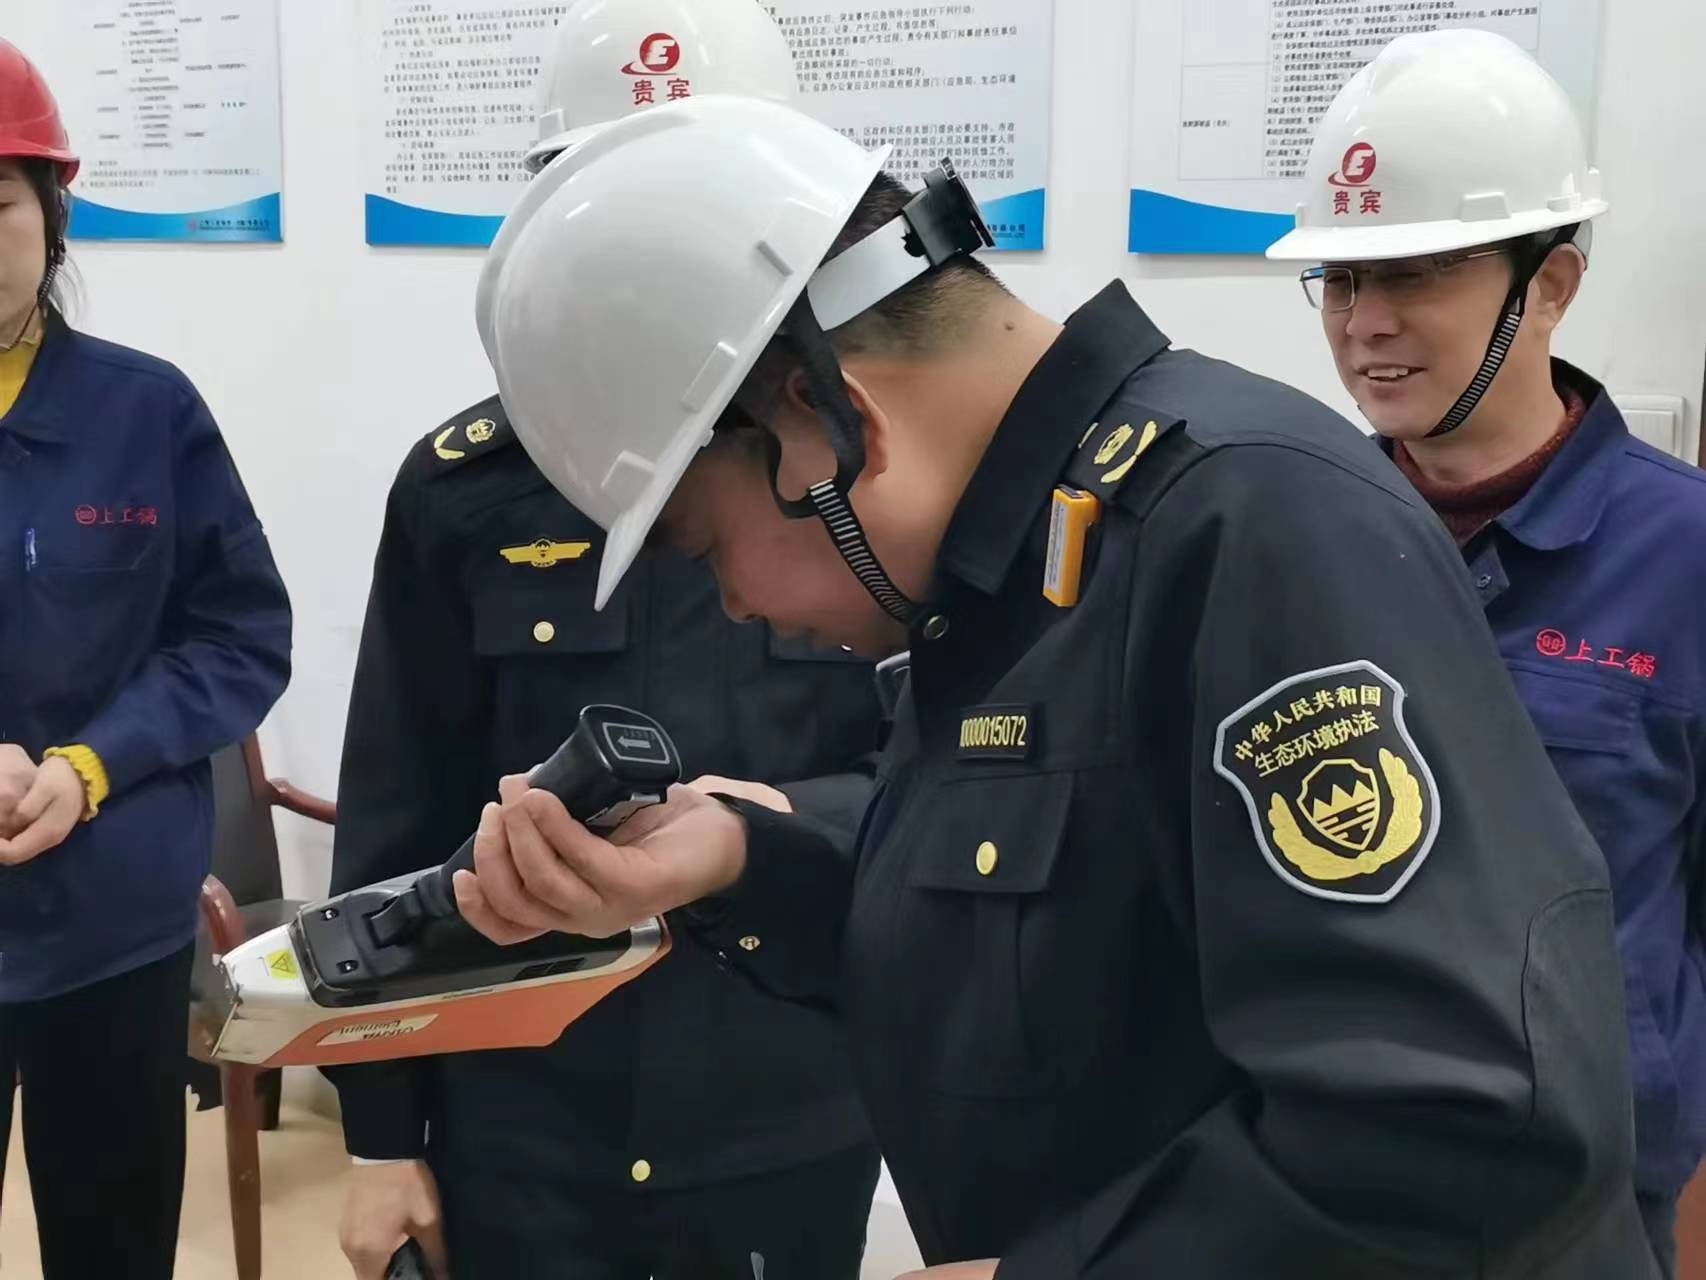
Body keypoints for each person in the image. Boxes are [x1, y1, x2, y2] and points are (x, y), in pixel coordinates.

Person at [458, 94, 1662, 1277]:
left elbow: (1465, 1132)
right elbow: (1044, 911)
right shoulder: (1024, 568)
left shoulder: (1248, 528)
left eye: (703, 543)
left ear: (834, 427)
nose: (729, 602)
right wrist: (737, 849)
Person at [329, 5, 881, 1278]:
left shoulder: (871, 478)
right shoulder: (463, 488)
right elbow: (397, 817)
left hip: (783, 1100)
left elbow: (937, 777)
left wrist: (760, 824)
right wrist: (378, 1136)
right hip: (524, 1114)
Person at [1265, 29, 1706, 1275]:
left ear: (1549, 283)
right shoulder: (1288, 528)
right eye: (1339, 281)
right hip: (1322, 1169)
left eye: (1412, 274)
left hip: (1586, 1190)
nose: (1365, 325)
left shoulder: (1682, 553)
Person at [0, 38, 292, 1279]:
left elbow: (240, 634)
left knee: (111, 1245)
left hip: (108, 917)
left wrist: (90, 764)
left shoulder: (145, 409)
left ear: (52, 215)